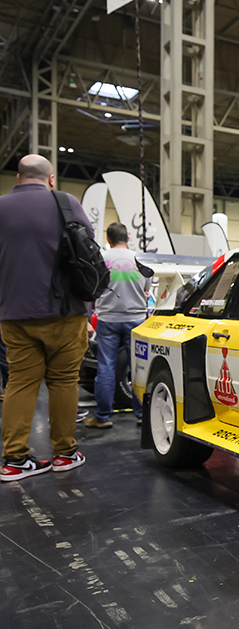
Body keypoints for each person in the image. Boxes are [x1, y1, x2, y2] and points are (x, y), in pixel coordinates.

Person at [0, 155, 90, 481]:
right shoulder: (66, 203)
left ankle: (14, 460)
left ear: (18, 177)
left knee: (19, 382)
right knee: (63, 381)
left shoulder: (1, 207)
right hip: (64, 311)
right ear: (51, 179)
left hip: (13, 313)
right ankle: (65, 454)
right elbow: (88, 249)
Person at [86, 222, 149, 429]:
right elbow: (147, 289)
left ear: (108, 239)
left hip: (108, 319)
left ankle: (103, 417)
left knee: (106, 367)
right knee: (139, 367)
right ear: (128, 238)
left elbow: (93, 288)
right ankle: (142, 415)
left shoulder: (101, 258)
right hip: (136, 319)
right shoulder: (140, 259)